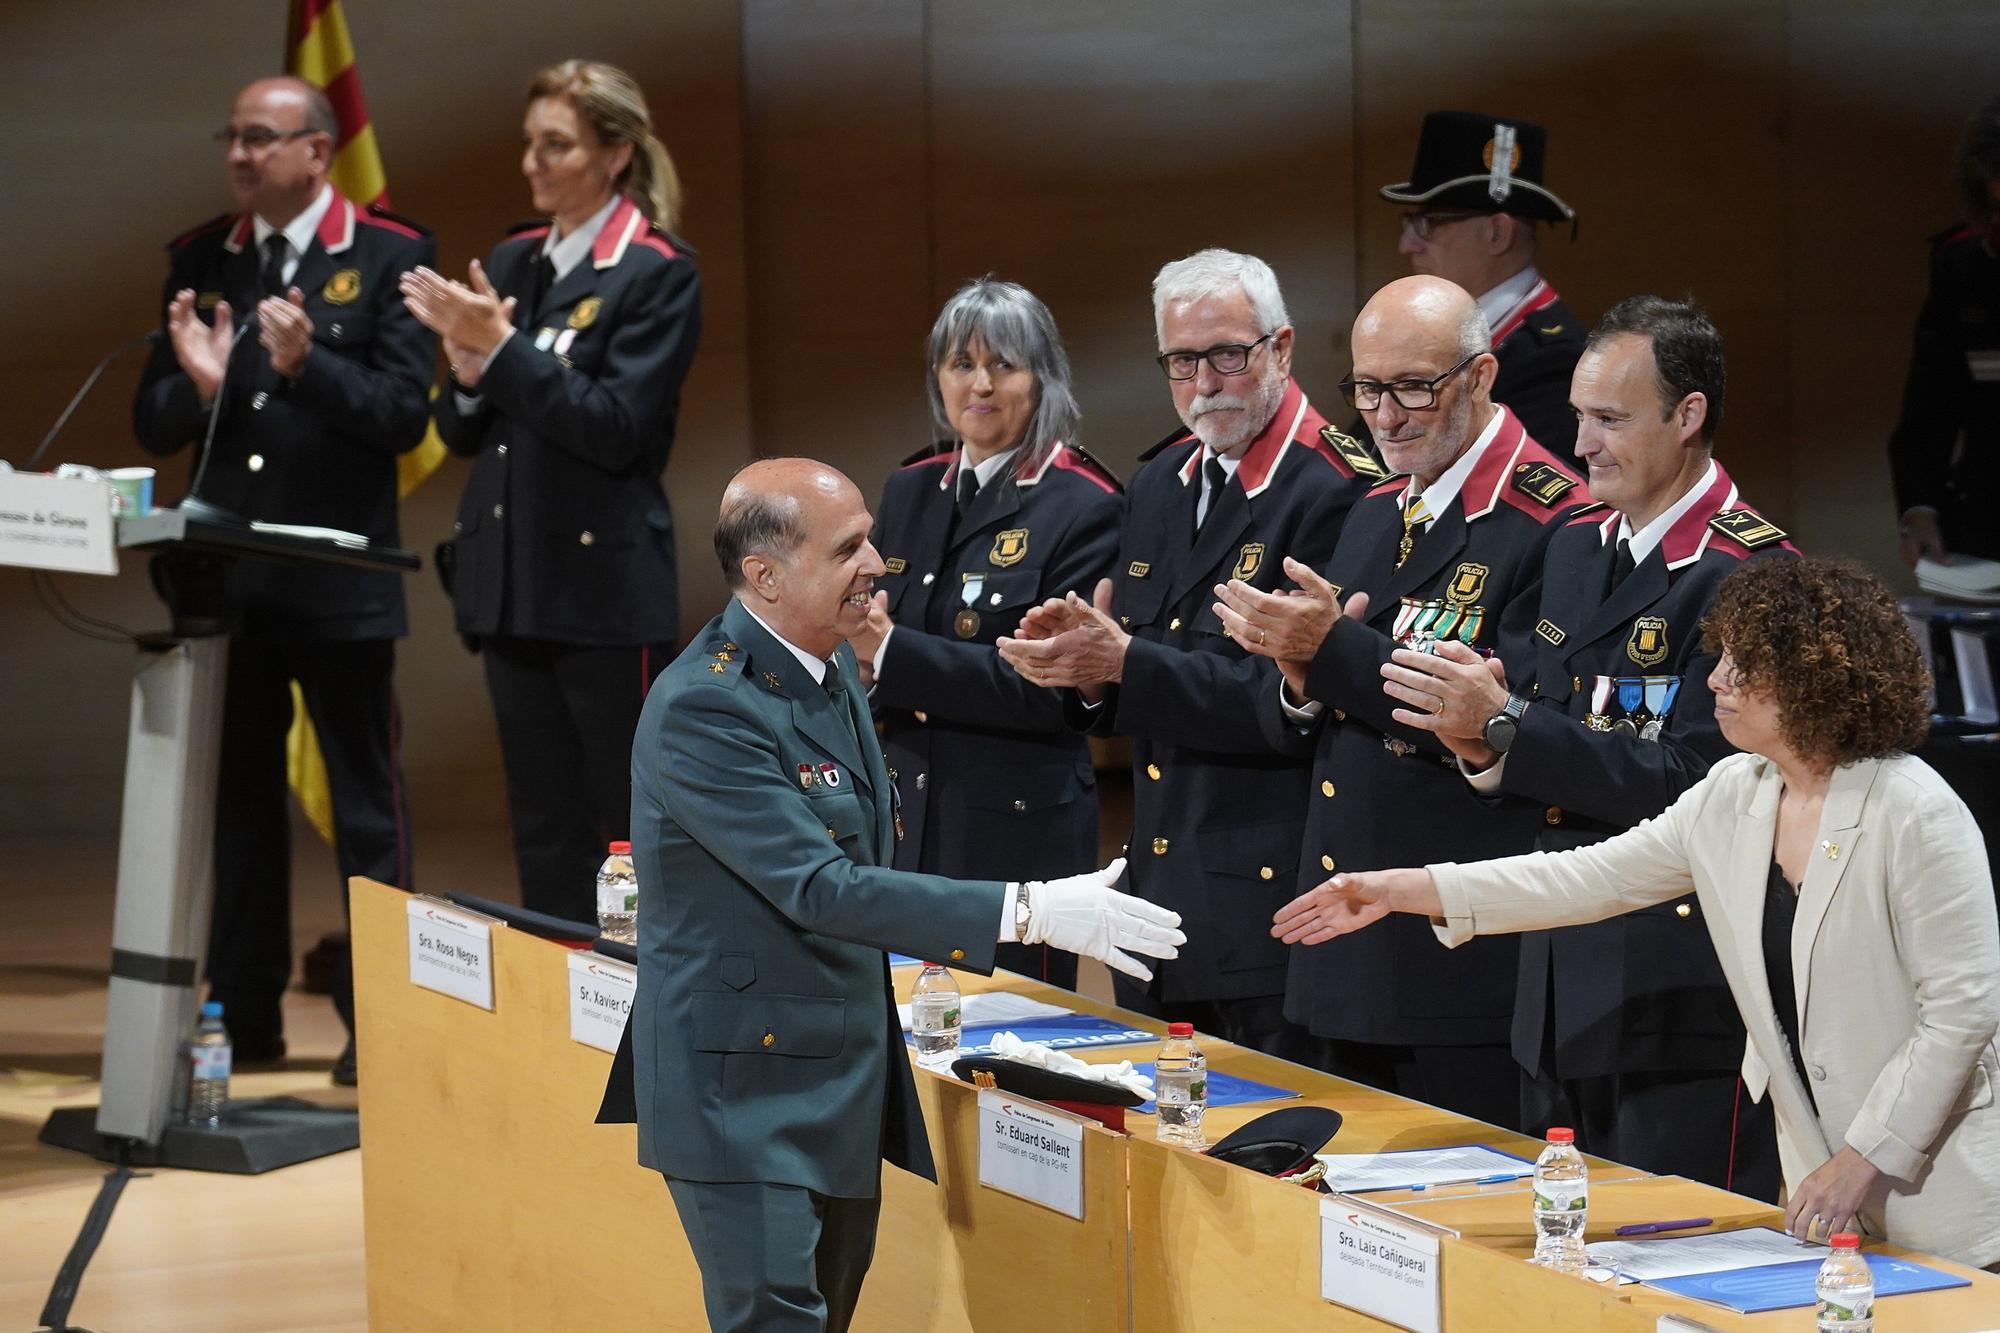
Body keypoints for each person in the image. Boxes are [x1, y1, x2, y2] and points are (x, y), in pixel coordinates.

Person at [1277, 558, 2000, 1270]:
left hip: (1938, 1187)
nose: (1715, 680)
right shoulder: (1735, 791)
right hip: (1825, 1183)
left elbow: (1961, 1014)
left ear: (1809, 680)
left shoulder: (1915, 808)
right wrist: (1400, 890)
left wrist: (1860, 1160)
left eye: (1742, 666)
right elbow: (1586, 877)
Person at [616, 458, 1182, 1331]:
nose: (878, 562)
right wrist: (1029, 909)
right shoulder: (704, 706)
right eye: (848, 548)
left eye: (871, 536)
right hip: (740, 1087)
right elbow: (818, 885)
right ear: (764, 573)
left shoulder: (828, 663)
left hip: (835, 1073)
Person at [1377, 296, 1792, 1195]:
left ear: (1689, 417)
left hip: (1674, 1004)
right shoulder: (1571, 546)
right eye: (1577, 417)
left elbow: (1697, 787)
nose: (1582, 444)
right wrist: (1479, 739)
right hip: (1556, 985)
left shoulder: (1752, 575)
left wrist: (1505, 729)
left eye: (1610, 419)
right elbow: (1532, 733)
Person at [1216, 274, 1592, 1128]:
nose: (1386, 416)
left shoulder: (1553, 520)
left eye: (1415, 387)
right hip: (1344, 941)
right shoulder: (1379, 504)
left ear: (1483, 377)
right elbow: (1327, 703)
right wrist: (1295, 674)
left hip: (1454, 956)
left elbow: (1505, 728)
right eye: (1368, 389)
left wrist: (1330, 654)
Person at [996, 249, 1381, 1054]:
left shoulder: (1342, 487)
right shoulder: (1159, 482)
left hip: (1277, 905)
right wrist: (1087, 673)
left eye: (1227, 355)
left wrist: (1124, 662)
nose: (1203, 381)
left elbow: (1292, 707)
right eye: (1180, 360)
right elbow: (1141, 679)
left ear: (1281, 349)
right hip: (1161, 898)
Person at [133, 76, 435, 1083]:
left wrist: (310, 368)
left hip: (338, 578)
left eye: (260, 138)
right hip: (230, 581)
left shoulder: (390, 254)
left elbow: (402, 417)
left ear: (318, 150)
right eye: (231, 136)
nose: (238, 155)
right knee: (240, 805)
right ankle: (245, 1014)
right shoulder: (203, 257)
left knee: (365, 807)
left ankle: (381, 1019)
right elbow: (152, 420)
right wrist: (205, 389)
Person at [401, 60, 699, 923]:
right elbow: (460, 434)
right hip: (509, 585)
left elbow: (617, 432)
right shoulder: (513, 259)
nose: (533, 163)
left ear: (615, 154)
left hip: (600, 590)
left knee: (623, 826)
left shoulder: (656, 270)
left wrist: (501, 353)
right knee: (541, 826)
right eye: (529, 143)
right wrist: (465, 369)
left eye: (556, 145)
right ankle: (559, 1027)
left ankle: (643, 1025)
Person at [849, 279, 1121, 989]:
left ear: (1043, 377)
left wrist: (889, 652)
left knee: (1009, 1042)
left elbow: (1051, 687)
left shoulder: (1084, 504)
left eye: (1003, 363)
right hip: (905, 816)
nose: (979, 383)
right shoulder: (911, 487)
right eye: (959, 364)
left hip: (1016, 826)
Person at [1382, 110, 1584, 452]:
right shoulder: (1426, 332)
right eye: (1409, 224)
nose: (1406, 245)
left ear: (1497, 233)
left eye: (1427, 224)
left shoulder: (1554, 364)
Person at [1889, 94, 2000, 565]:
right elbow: (1930, 407)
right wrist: (1920, 508)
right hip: (1986, 523)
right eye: (1991, 209)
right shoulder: (1964, 266)